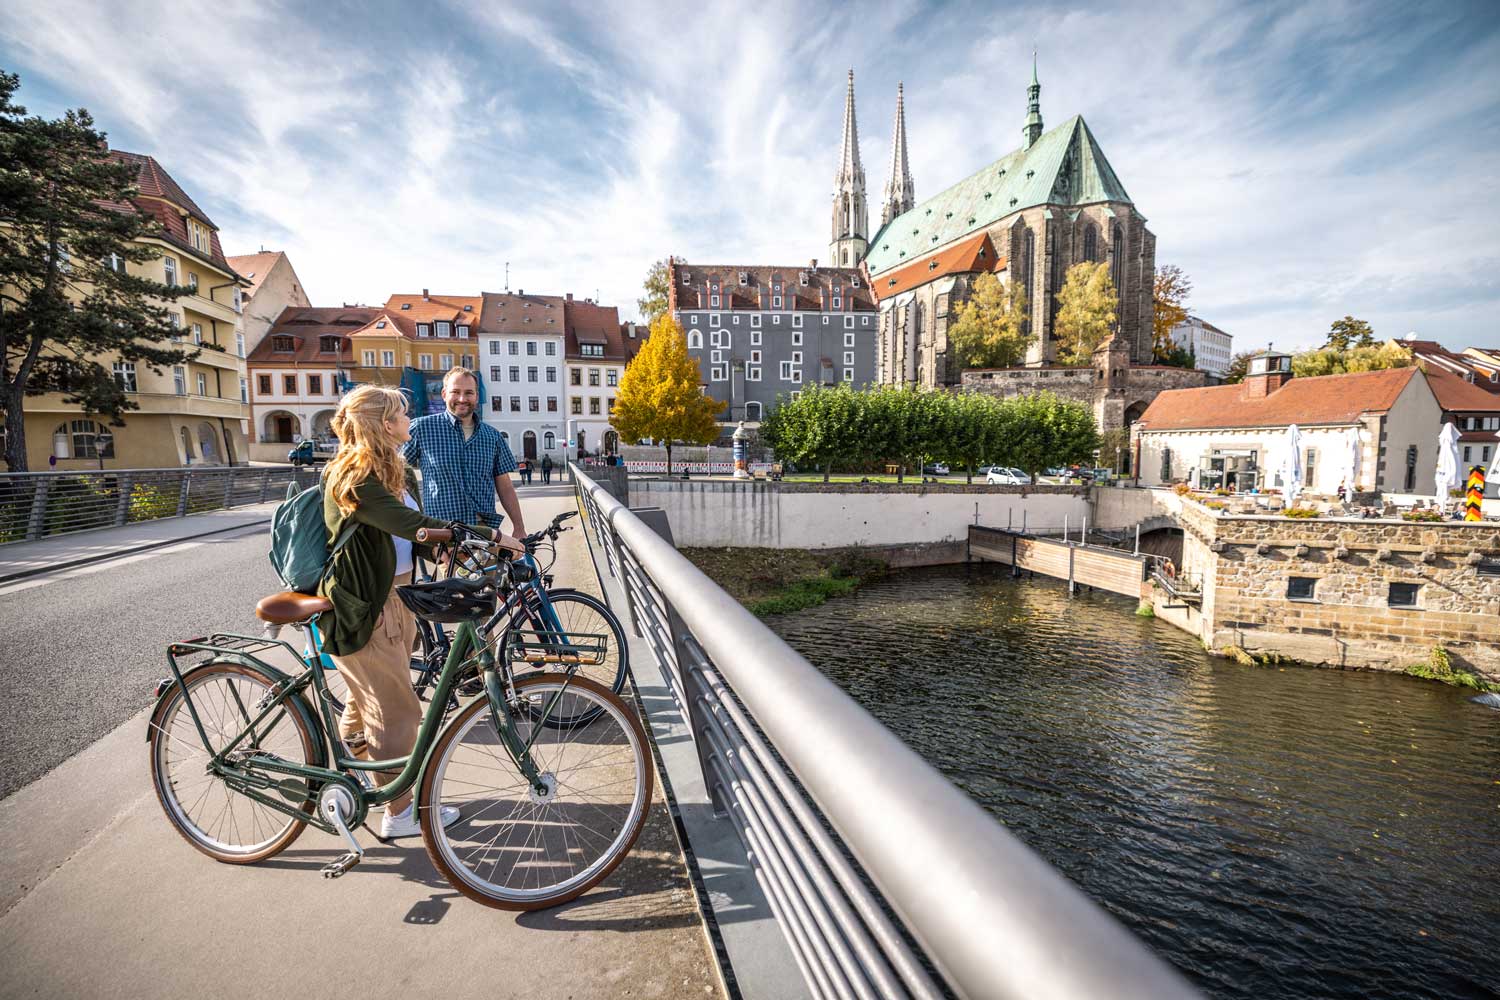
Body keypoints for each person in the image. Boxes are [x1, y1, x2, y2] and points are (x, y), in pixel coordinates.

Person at [318, 385, 522, 838]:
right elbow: (413, 525)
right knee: (397, 713)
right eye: (402, 414)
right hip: (368, 606)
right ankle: (398, 812)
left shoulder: (392, 472)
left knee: (366, 701)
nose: (409, 420)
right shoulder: (353, 476)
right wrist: (489, 537)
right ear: (384, 424)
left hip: (397, 599)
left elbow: (408, 539)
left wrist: (452, 552)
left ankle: (354, 780)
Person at [403, 367, 526, 538]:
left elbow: (505, 486)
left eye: (468, 393)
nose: (462, 399)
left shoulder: (492, 436)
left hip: (483, 532)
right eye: (455, 392)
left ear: (477, 396)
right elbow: (395, 473)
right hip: (442, 531)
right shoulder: (421, 428)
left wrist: (519, 527)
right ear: (444, 394)